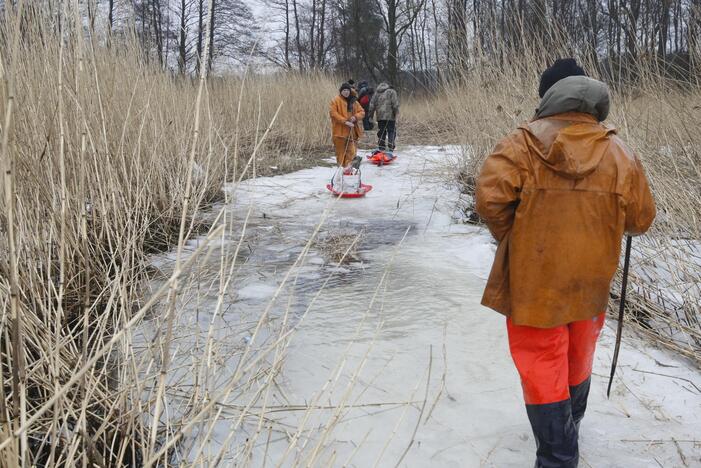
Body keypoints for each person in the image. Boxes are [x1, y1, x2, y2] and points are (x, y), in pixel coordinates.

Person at [475, 58, 656, 468]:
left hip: (533, 284)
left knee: (542, 368)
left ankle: (558, 456)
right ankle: (570, 428)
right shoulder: (619, 150)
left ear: (547, 97)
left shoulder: (520, 143)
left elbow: (490, 201)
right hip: (591, 284)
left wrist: (516, 239)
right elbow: (641, 220)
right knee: (577, 360)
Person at [330, 82, 365, 176]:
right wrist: (345, 121)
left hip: (352, 132)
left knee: (352, 152)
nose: (346, 92)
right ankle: (341, 172)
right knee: (340, 154)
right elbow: (333, 114)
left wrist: (355, 117)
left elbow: (362, 112)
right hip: (339, 133)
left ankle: (348, 172)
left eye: (347, 90)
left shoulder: (354, 101)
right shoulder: (335, 101)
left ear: (350, 91)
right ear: (341, 91)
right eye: (344, 90)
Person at [368, 82, 399, 155]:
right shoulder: (392, 92)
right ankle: (391, 146)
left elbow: (371, 106)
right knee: (391, 131)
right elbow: (395, 104)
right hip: (390, 116)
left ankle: (381, 147)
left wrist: (370, 116)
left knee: (381, 131)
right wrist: (397, 114)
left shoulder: (376, 93)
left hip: (380, 117)